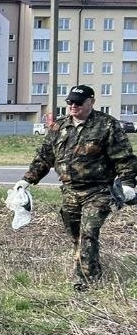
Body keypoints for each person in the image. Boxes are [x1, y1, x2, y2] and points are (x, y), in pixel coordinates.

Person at [18, 84, 137, 288]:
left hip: (99, 191)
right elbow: (44, 157)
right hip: (70, 192)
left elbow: (124, 158)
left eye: (78, 102)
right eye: (70, 102)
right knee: (76, 237)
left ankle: (87, 283)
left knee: (88, 234)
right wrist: (27, 180)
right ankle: (90, 270)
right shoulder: (59, 126)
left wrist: (127, 185)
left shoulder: (106, 125)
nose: (73, 106)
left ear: (91, 102)